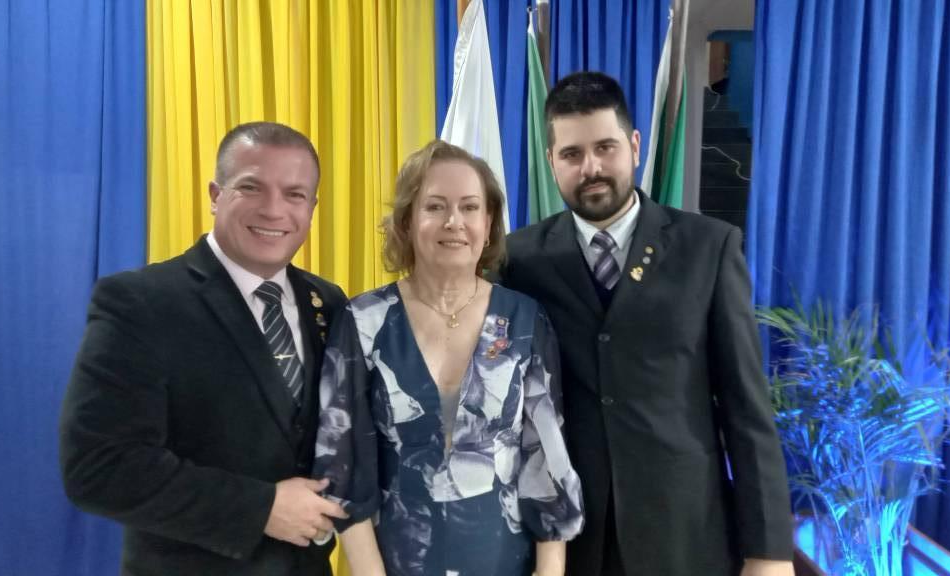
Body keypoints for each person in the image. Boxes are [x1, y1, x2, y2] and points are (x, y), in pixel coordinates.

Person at [495, 71, 794, 575]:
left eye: (605, 148)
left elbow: (746, 407)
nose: (591, 168)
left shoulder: (709, 248)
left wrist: (768, 552)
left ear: (634, 146)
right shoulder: (518, 261)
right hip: (567, 541)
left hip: (684, 535)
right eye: (572, 154)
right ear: (551, 161)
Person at [60, 122, 349, 576]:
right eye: (251, 187)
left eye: (294, 194)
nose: (274, 209)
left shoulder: (327, 302)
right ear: (216, 195)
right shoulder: (141, 302)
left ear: (312, 208)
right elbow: (99, 467)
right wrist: (261, 508)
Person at [312, 139, 584, 576]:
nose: (454, 221)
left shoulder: (525, 319)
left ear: (488, 223)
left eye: (470, 207)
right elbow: (343, 468)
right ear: (407, 221)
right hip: (396, 564)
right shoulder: (362, 320)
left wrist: (549, 571)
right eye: (435, 206)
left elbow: (547, 460)